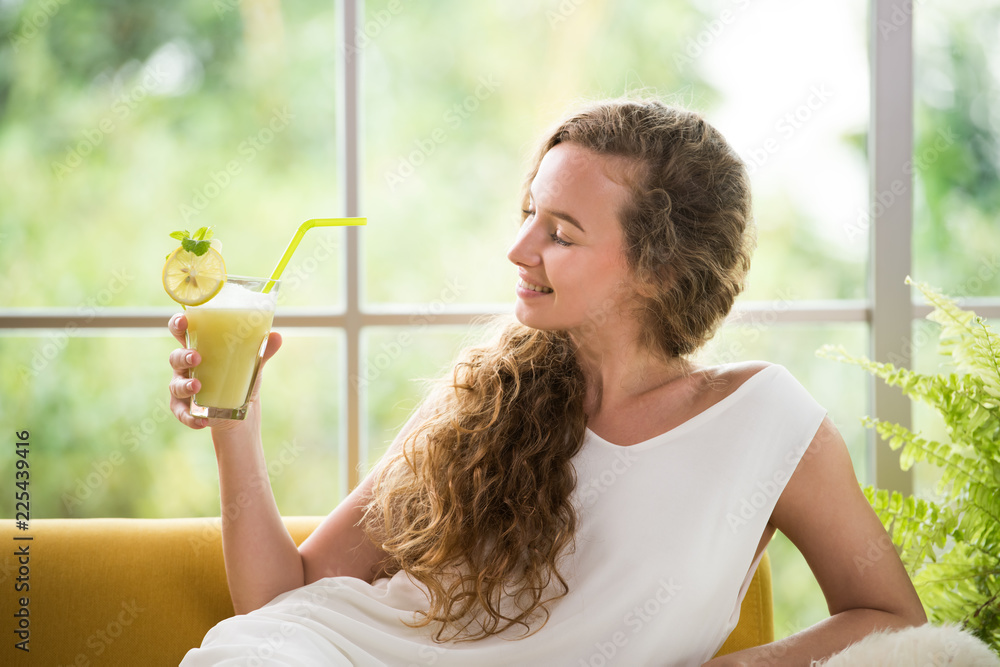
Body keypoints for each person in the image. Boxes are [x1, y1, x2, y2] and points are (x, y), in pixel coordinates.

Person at [168, 98, 927, 666]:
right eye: (529, 212)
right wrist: (236, 419)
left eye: (559, 231)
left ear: (658, 268)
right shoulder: (485, 393)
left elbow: (890, 618)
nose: (517, 247)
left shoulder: (765, 419)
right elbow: (282, 598)